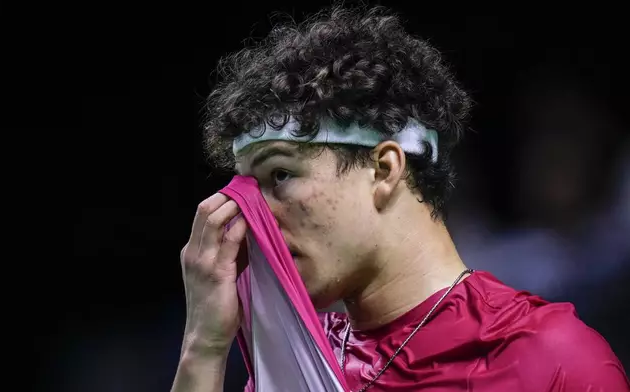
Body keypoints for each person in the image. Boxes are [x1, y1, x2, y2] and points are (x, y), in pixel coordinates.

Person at [172, 4, 629, 391]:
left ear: (384, 169)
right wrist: (204, 346)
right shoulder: (297, 367)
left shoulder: (551, 363)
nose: (252, 218)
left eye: (281, 174)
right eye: (248, 189)